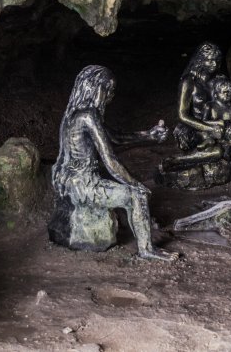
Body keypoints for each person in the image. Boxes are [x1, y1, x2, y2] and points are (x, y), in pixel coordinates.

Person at [50, 65, 178, 261]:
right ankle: (147, 250)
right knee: (137, 197)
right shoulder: (88, 116)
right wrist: (136, 185)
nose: (110, 95)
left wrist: (148, 135)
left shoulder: (75, 113)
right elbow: (110, 160)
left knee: (131, 191)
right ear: (93, 88)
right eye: (107, 89)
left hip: (71, 182)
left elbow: (115, 137)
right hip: (84, 185)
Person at [165, 43, 231, 175]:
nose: (214, 64)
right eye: (210, 60)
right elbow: (182, 115)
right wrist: (209, 128)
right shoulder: (189, 82)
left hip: (221, 126)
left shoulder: (221, 80)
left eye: (217, 60)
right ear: (200, 61)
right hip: (196, 129)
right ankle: (178, 160)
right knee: (217, 150)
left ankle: (222, 152)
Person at [200, 76, 231, 159]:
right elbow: (203, 122)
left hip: (228, 133)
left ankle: (228, 146)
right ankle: (209, 142)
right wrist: (217, 123)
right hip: (214, 131)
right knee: (208, 134)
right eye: (224, 92)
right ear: (216, 94)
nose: (227, 94)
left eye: (229, 92)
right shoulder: (210, 106)